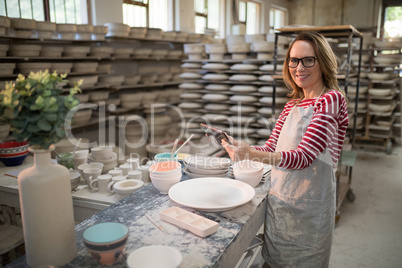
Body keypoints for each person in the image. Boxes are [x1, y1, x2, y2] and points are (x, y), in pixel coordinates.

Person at [222, 32, 349, 267]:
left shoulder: (330, 99)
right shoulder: (293, 104)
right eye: (293, 60)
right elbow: (272, 147)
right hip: (281, 203)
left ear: (323, 61)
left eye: (308, 60)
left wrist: (250, 154)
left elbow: (303, 157)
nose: (299, 67)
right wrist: (242, 147)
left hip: (310, 207)